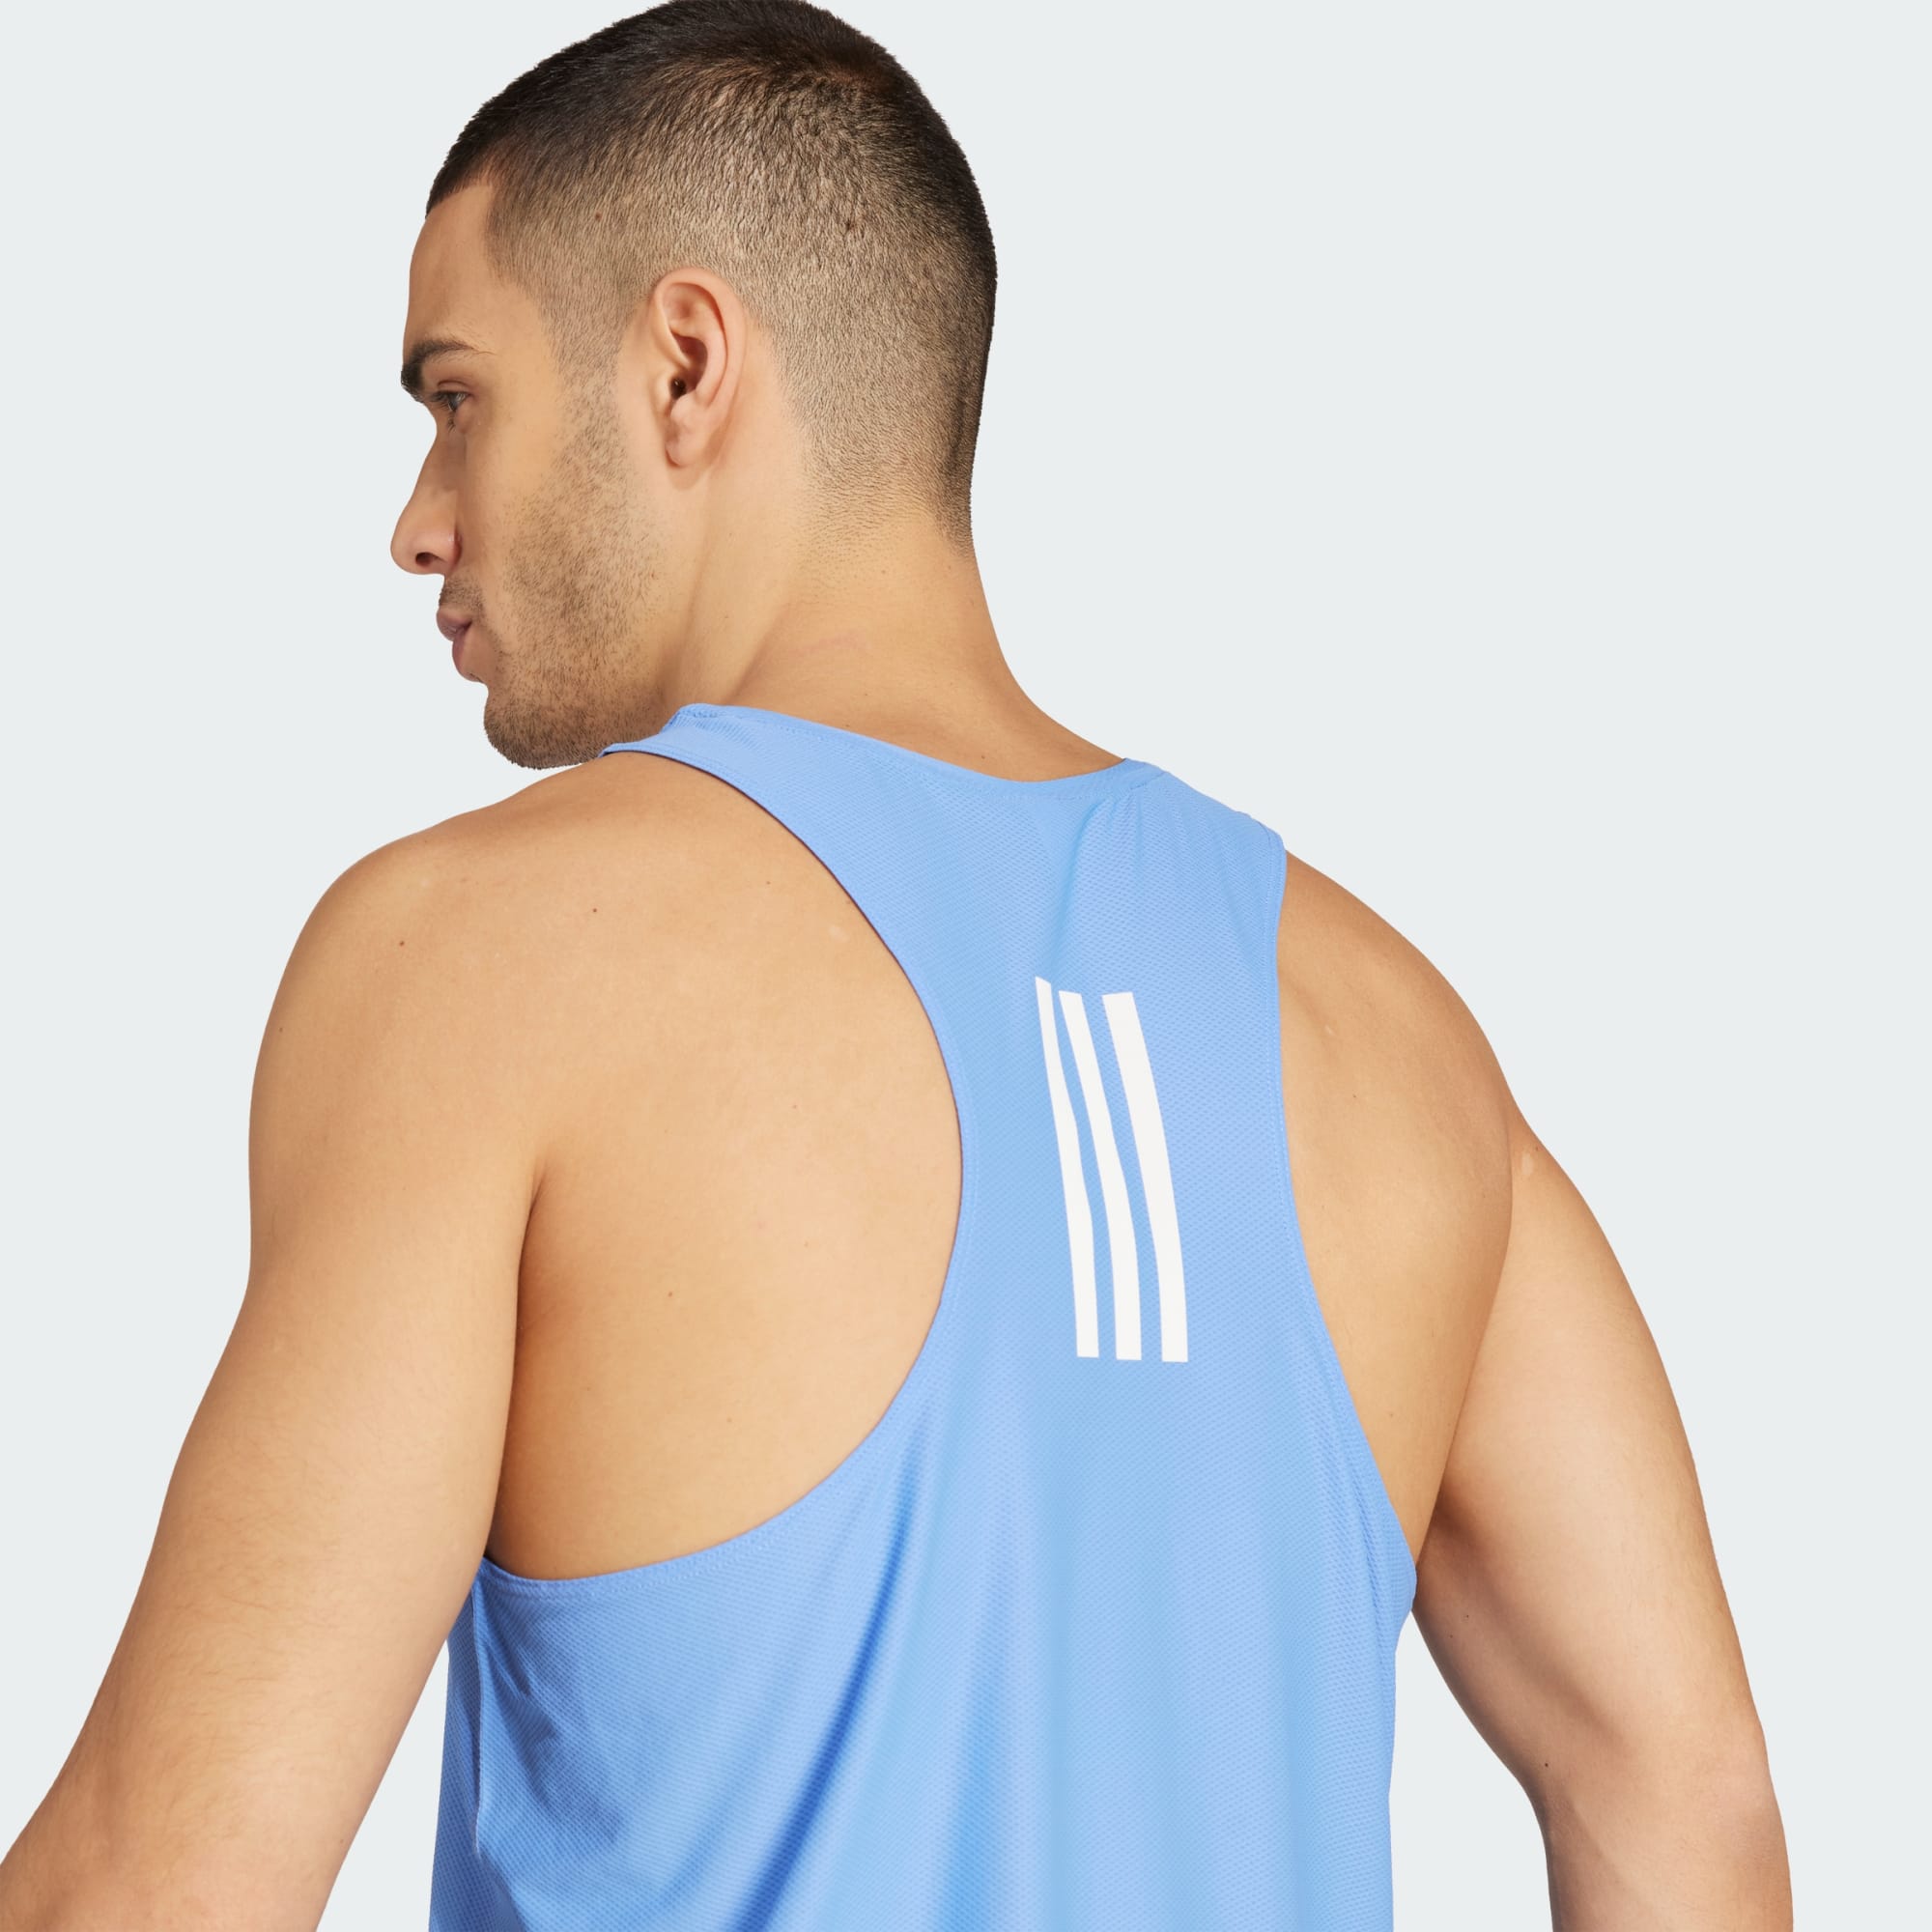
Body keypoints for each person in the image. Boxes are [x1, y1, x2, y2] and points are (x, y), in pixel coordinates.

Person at [0, 3, 1789, 1926]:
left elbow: (163, 1882)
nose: (418, 521)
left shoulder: (484, 962)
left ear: (685, 366)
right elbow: (1690, 1806)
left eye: (457, 397)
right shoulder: (1390, 1031)